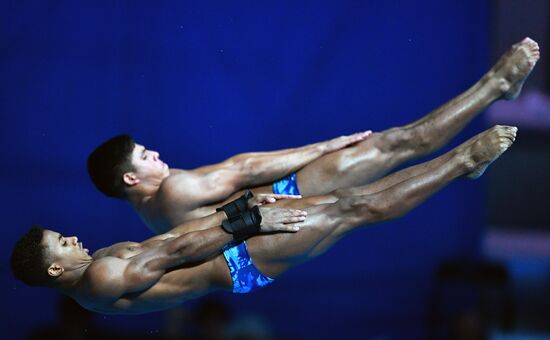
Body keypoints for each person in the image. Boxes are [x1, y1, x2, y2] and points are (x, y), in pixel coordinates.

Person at [11, 125, 517, 314]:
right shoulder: (97, 278)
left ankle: (459, 164)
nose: (72, 236)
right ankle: (461, 163)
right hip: (237, 257)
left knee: (354, 202)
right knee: (352, 209)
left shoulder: (97, 270)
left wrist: (238, 214)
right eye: (62, 242)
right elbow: (174, 251)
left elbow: (180, 240)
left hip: (233, 241)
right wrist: (243, 223)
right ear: (55, 269)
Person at [87, 38, 540, 235]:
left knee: (371, 202)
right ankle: (498, 87)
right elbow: (245, 167)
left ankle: (465, 165)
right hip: (289, 198)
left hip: (266, 245)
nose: (156, 154)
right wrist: (324, 146)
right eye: (145, 155)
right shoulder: (172, 188)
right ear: (130, 178)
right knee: (395, 145)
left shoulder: (151, 216)